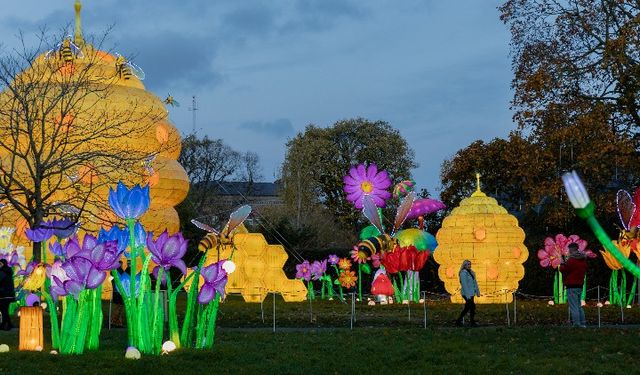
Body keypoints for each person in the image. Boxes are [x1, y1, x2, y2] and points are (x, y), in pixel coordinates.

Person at [560, 242, 587, 328]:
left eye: (569, 249)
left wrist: (562, 263)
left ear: (572, 249)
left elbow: (563, 270)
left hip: (571, 285)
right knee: (579, 305)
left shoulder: (572, 260)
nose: (568, 251)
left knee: (573, 306)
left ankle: (576, 324)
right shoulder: (583, 260)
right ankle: (583, 323)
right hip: (579, 285)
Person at [455, 259, 480, 327]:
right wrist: (468, 295)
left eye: (470, 264)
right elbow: (464, 285)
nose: (469, 265)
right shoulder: (463, 273)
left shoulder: (471, 272)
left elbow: (475, 283)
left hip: (471, 293)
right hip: (466, 293)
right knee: (471, 307)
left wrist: (477, 291)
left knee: (470, 307)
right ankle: (469, 322)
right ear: (464, 265)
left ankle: (461, 321)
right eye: (467, 264)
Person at [0, 259, 16, 330]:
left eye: (0, 264)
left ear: (3, 264)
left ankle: (4, 325)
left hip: (4, 295)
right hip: (9, 295)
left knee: (3, 310)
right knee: (4, 310)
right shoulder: (8, 271)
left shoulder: (2, 272)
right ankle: (8, 324)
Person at [110, 260, 126, 328]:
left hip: (118, 292)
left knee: (119, 307)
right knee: (118, 307)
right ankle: (114, 321)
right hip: (118, 292)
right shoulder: (118, 272)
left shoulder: (116, 272)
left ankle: (118, 322)